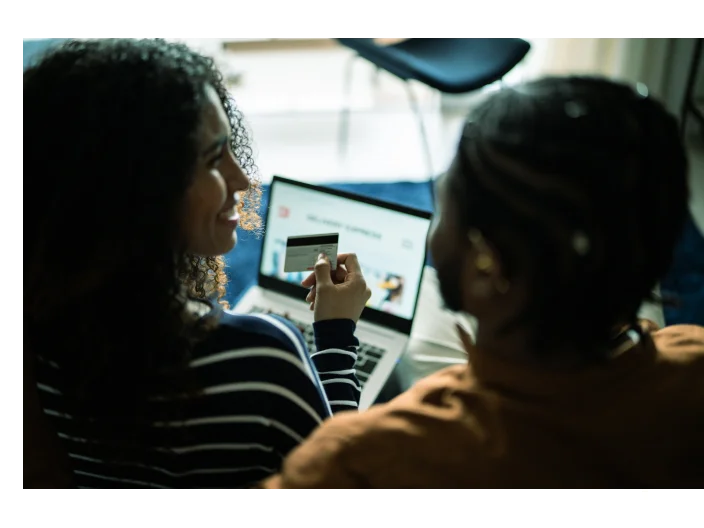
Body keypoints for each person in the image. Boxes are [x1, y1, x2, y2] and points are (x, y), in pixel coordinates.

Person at [261, 76, 704, 493]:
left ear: (486, 268)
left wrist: (336, 343)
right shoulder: (692, 362)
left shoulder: (367, 457)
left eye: (447, 199)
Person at [16, 38, 371, 494]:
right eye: (212, 159)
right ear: (140, 185)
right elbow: (343, 480)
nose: (243, 178)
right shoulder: (262, 357)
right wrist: (336, 336)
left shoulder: (28, 338)